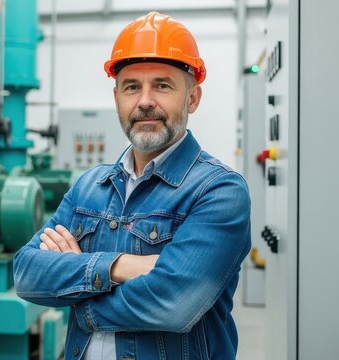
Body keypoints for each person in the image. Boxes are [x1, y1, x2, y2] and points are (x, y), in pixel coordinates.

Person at [13, 11, 251, 360]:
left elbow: (174, 303)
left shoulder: (219, 191)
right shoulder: (90, 186)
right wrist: (120, 266)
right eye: (131, 87)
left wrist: (80, 300)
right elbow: (26, 273)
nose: (144, 101)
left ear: (193, 98)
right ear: (117, 100)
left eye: (162, 85)